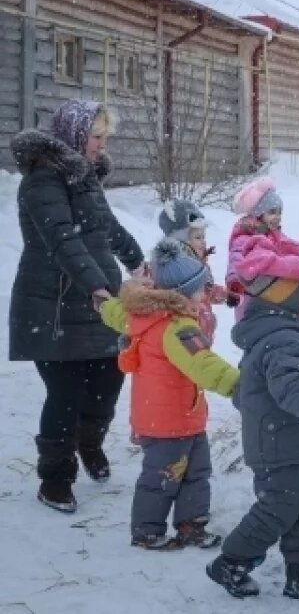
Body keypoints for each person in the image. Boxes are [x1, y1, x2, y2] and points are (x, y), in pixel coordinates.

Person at [9, 99, 145, 513]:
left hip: (97, 300)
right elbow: (63, 240)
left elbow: (106, 225)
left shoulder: (85, 178)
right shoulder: (41, 182)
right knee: (65, 394)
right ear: (73, 135)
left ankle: (89, 444)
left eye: (104, 138)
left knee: (108, 383)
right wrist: (99, 288)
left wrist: (137, 260)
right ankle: (55, 477)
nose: (101, 147)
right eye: (95, 137)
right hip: (53, 305)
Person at [206, 235, 299, 604]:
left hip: (295, 444)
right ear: (284, 296)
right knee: (277, 511)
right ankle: (231, 562)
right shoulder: (283, 340)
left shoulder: (278, 335)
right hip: (279, 447)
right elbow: (290, 386)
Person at [100, 240, 239, 550]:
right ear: (182, 295)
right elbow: (203, 363)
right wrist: (240, 385)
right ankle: (147, 531)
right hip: (169, 422)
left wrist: (101, 303)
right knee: (163, 478)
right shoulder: (177, 328)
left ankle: (192, 524)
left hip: (180, 416)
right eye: (201, 290)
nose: (205, 295)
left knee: (196, 472)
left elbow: (116, 312)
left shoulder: (145, 315)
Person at [227, 176, 299, 321]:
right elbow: (236, 259)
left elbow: (288, 247)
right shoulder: (245, 236)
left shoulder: (275, 234)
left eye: (279, 212)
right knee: (254, 330)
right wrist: (234, 284)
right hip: (249, 296)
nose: (277, 217)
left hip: (269, 294)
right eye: (272, 212)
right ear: (259, 213)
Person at [158, 199, 235, 340]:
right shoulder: (172, 272)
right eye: (198, 237)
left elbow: (206, 290)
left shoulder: (198, 263)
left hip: (200, 338)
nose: (204, 242)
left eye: (203, 237)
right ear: (180, 241)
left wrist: (227, 294)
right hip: (183, 343)